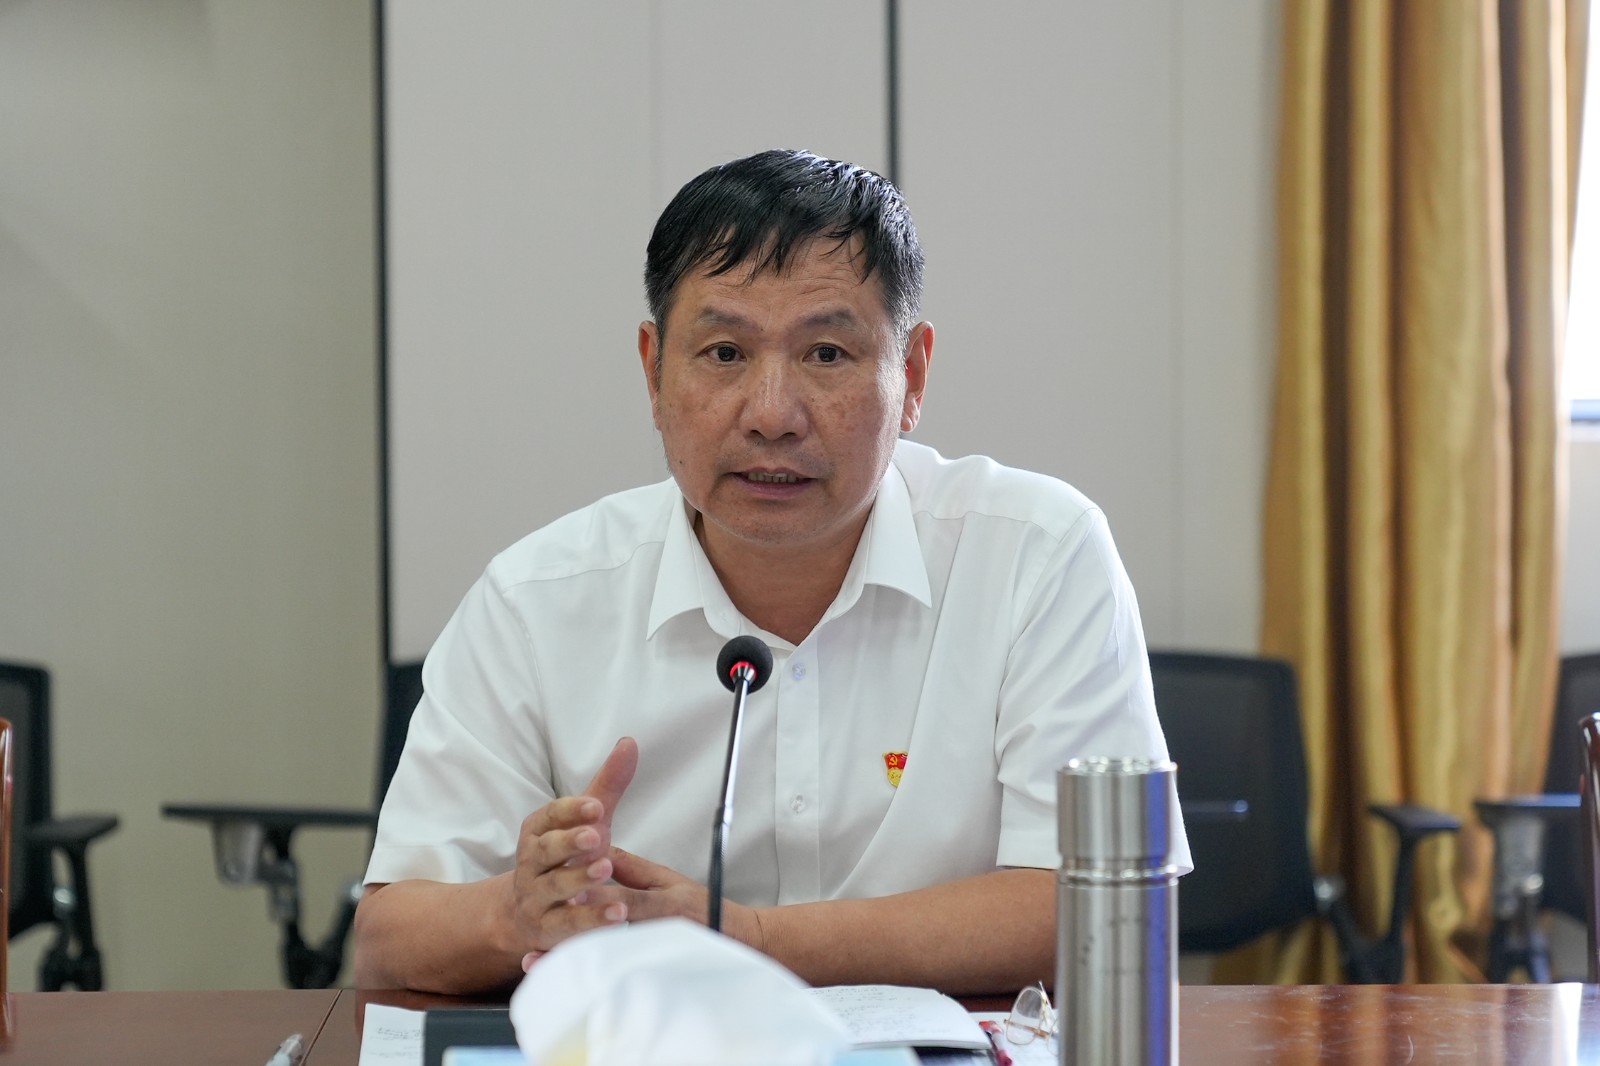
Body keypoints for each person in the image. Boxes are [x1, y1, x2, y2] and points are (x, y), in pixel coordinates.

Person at [353, 149, 1189, 995]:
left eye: (826, 354)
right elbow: (389, 938)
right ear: (652, 371)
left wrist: (746, 937)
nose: (772, 415)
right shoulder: (537, 601)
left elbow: (1104, 909)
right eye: (724, 353)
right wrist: (517, 911)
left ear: (912, 376)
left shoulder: (1035, 555)